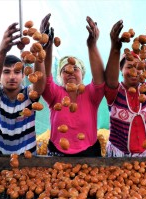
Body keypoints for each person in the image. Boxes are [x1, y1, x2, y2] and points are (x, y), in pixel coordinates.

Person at [39, 14, 105, 156]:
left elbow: (99, 79)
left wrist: (92, 45)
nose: (70, 72)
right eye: (65, 70)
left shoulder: (91, 93)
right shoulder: (55, 93)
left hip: (89, 151)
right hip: (58, 152)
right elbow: (45, 77)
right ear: (60, 76)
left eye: (75, 69)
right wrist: (47, 45)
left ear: (82, 74)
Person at [104, 20, 146, 157]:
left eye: (139, 67)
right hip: (119, 155)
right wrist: (115, 48)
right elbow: (110, 80)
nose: (134, 71)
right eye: (129, 67)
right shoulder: (114, 92)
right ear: (121, 69)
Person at [0, 23, 45, 155]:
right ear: (0, 76)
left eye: (17, 72)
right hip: (2, 165)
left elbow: (39, 83)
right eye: (6, 72)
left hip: (30, 163)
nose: (12, 77)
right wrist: (2, 50)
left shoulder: (29, 95)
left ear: (24, 75)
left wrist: (39, 47)